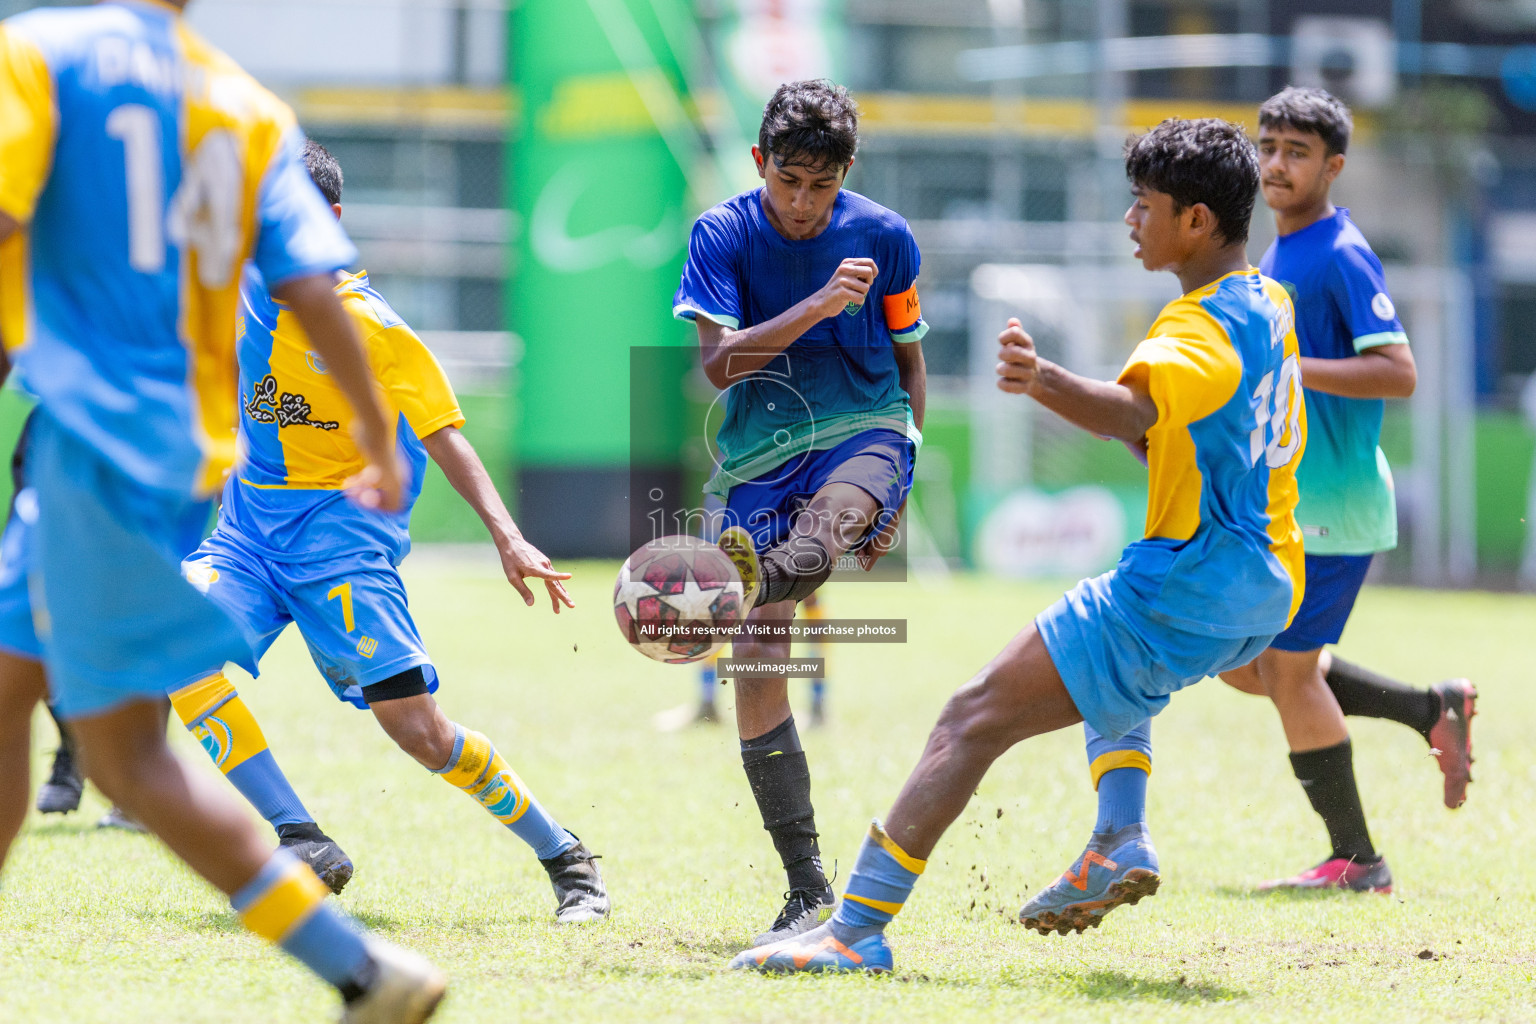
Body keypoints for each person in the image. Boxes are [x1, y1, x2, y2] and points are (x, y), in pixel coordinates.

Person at [732, 117, 1305, 973]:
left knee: (970, 718)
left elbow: (1133, 412)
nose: (1128, 219)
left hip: (1192, 578)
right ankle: (1118, 835)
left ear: (1194, 221)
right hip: (1269, 578)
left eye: (1141, 205)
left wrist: (1042, 381)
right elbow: (1183, 432)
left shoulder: (1198, 327)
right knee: (1118, 672)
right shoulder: (1269, 301)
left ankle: (853, 932)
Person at [0, 3, 443, 1019]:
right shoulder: (247, 106)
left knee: (125, 755)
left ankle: (363, 971)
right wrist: (379, 435)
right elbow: (312, 281)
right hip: (167, 456)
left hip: (97, 446)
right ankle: (362, 969)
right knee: (8, 694)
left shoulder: (38, 54)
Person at [1027, 89, 1476, 927]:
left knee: (1288, 672)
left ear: (1333, 166)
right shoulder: (1276, 253)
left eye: (1297, 151)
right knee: (1250, 667)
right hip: (1289, 503)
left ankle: (1358, 859)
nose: (1277, 164)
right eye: (1267, 146)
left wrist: (1287, 368)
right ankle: (1428, 709)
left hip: (1332, 502)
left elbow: (1401, 372)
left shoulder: (1339, 254)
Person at [169, 140, 608, 922]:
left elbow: (445, 434)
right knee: (172, 646)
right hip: (247, 536)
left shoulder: (370, 325)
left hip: (342, 547)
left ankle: (565, 856)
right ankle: (299, 836)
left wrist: (508, 537)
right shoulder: (238, 292)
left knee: (418, 731)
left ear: (328, 223)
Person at [672, 79, 926, 946]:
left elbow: (909, 360)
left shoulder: (887, 237)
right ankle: (806, 885)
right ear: (760, 164)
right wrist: (818, 304)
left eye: (822, 185)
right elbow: (717, 368)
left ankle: (732, 584)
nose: (804, 203)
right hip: (760, 451)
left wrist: (908, 467)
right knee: (757, 649)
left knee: (822, 540)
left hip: (866, 427)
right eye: (788, 182)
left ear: (848, 171)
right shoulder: (723, 233)